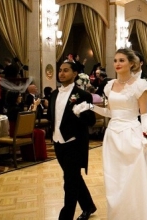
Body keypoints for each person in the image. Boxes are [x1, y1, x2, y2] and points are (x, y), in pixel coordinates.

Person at [73, 48, 147, 219]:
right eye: (115, 60)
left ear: (131, 63)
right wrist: (91, 107)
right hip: (113, 135)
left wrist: (146, 136)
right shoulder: (109, 85)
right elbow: (110, 113)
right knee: (115, 180)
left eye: (122, 60)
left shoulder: (140, 85)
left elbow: (144, 114)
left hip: (132, 134)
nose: (117, 64)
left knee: (134, 178)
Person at [47, 62, 97, 220]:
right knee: (73, 177)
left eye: (66, 71)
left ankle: (65, 216)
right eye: (60, 71)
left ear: (75, 74)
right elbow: (52, 117)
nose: (61, 73)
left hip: (74, 144)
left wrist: (80, 113)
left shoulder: (83, 95)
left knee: (69, 181)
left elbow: (91, 121)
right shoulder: (54, 94)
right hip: (58, 142)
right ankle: (88, 206)